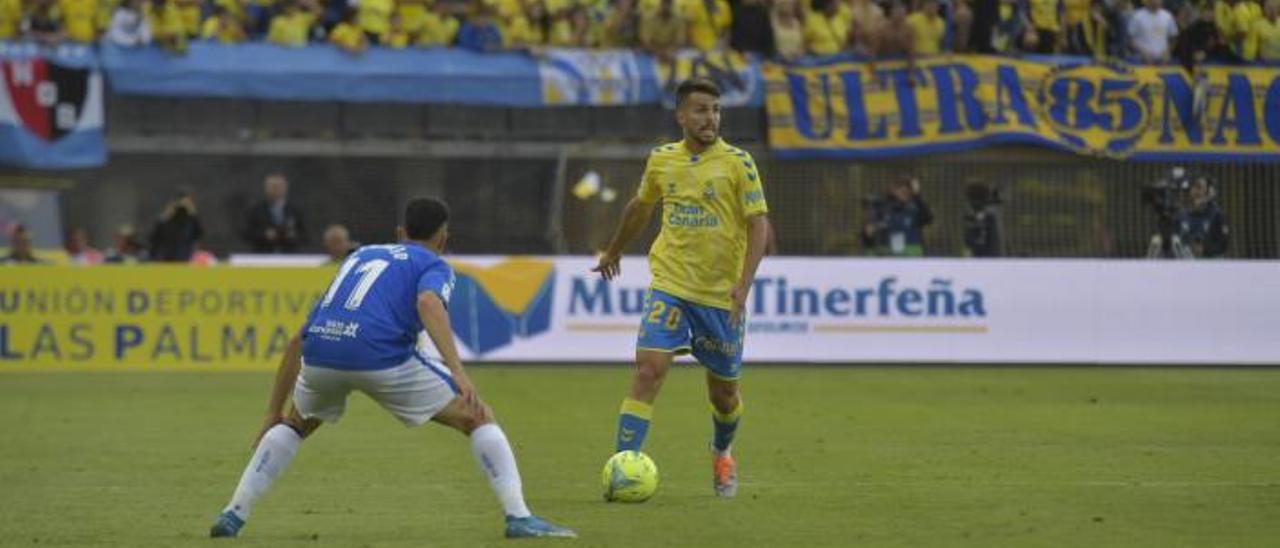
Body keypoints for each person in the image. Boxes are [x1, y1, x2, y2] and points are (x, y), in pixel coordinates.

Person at [208, 198, 576, 540]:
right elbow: (429, 302)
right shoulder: (433, 263)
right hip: (380, 355)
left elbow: (295, 341)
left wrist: (273, 411)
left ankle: (233, 514)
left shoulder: (361, 255)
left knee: (296, 424)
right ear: (444, 238)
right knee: (478, 417)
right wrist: (459, 373)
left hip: (322, 350)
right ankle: (519, 517)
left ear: (400, 232)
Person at [592, 79, 770, 499]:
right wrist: (614, 250)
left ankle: (722, 450)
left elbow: (759, 224)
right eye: (701, 110)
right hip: (670, 284)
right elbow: (640, 206)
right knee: (649, 372)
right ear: (681, 116)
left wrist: (743, 285)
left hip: (719, 296)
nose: (710, 118)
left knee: (724, 395)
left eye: (715, 110)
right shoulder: (661, 160)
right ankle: (622, 468)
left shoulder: (738, 163)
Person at [863, 177, 934, 256]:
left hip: (913, 259)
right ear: (894, 191)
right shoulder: (882, 208)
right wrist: (870, 251)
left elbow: (928, 218)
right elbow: (868, 233)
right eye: (900, 190)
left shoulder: (916, 208)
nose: (904, 193)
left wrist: (917, 195)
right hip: (888, 259)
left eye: (907, 191)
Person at [243, 173, 307, 254]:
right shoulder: (256, 210)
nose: (276, 190)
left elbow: (305, 236)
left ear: (285, 188)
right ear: (266, 189)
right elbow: (247, 234)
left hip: (290, 256)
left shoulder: (295, 210)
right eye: (273, 187)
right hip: (262, 256)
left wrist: (292, 235)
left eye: (279, 187)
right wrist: (264, 235)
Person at [1177, 176, 1230, 258]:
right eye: (1193, 187)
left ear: (1209, 192)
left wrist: (1205, 249)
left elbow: (1223, 245)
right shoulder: (1182, 215)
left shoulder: (1217, 215)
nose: (1195, 191)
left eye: (1199, 187)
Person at [149, 189, 205, 262]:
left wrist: (192, 213)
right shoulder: (166, 220)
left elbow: (199, 234)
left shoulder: (190, 221)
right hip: (165, 258)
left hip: (185, 257)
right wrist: (165, 216)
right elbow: (153, 237)